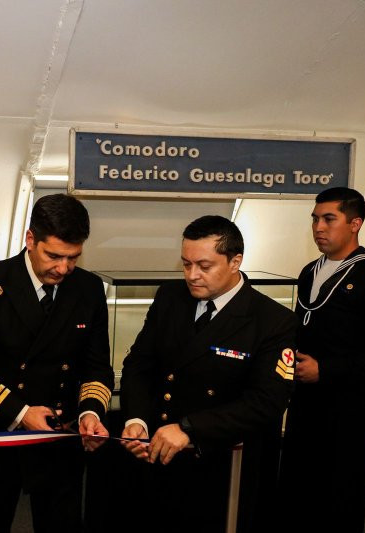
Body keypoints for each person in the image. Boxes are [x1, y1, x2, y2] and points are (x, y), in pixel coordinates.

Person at [0, 193, 114, 532]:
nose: (63, 268)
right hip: (0, 430)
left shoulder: (89, 288)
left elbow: (96, 366)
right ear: (30, 239)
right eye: (54, 255)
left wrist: (91, 413)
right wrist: (23, 413)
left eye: (73, 257)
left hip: (61, 433)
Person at [119, 215, 297, 533]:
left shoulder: (272, 320)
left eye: (204, 265)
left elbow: (266, 402)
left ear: (235, 261)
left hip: (221, 465)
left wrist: (191, 428)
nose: (192, 275)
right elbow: (139, 365)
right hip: (158, 454)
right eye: (186, 264)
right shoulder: (169, 298)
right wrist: (137, 420)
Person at [278, 187, 365, 532]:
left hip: (352, 413)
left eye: (329, 219)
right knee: (299, 495)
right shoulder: (310, 270)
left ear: (355, 223)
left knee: (339, 502)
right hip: (306, 405)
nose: (318, 227)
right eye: (315, 219)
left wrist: (327, 370)